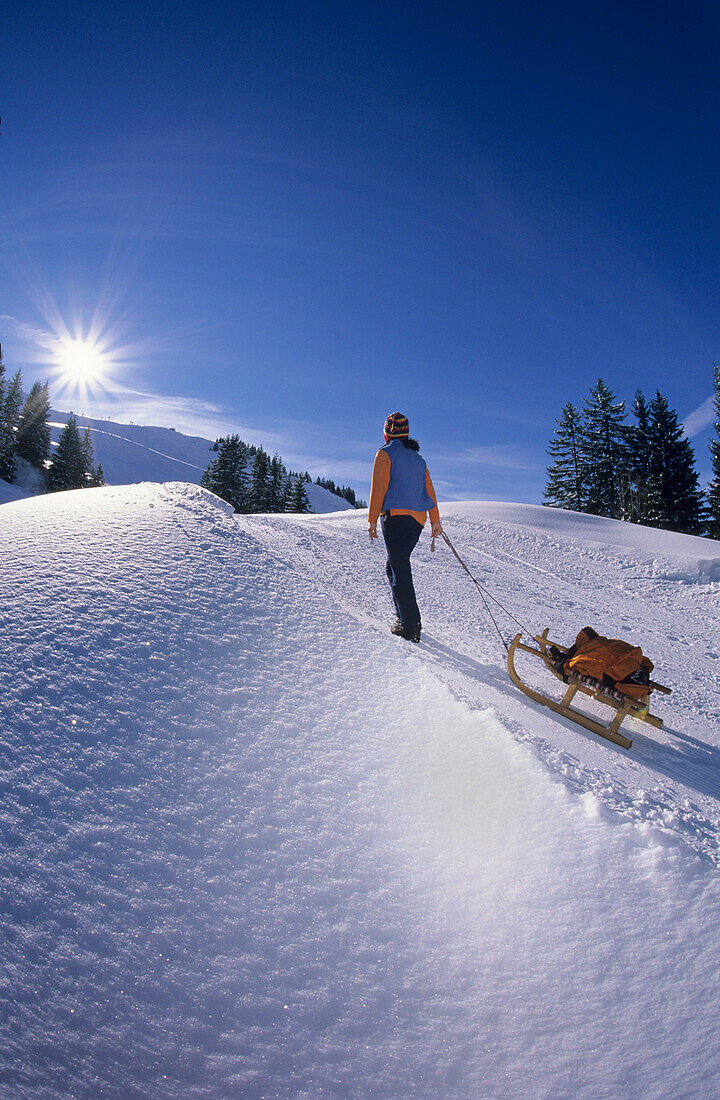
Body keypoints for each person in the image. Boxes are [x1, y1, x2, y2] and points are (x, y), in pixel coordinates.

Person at [368, 412, 442, 642]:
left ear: (387, 432)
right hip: (416, 521)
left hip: (395, 516)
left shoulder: (385, 453)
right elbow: (429, 490)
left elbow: (379, 487)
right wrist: (435, 520)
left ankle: (410, 626)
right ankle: (406, 618)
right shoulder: (418, 459)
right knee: (394, 566)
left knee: (399, 568)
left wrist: (372, 520)